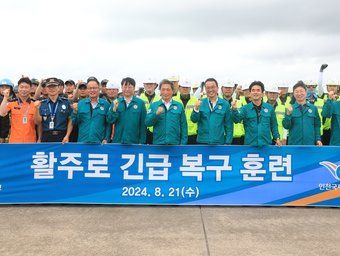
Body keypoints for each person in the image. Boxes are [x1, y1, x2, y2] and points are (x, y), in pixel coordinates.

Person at [232, 81, 281, 146]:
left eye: (258, 90)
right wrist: (234, 109)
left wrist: (277, 138)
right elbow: (236, 120)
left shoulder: (269, 108)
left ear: (262, 93)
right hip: (250, 145)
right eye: (253, 90)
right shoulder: (245, 108)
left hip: (266, 145)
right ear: (250, 93)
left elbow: (274, 125)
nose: (255, 92)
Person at [191, 78, 233, 144]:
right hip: (202, 142)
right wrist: (196, 109)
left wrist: (227, 143)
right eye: (208, 88)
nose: (210, 90)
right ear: (205, 89)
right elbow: (194, 119)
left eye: (213, 87)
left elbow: (229, 125)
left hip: (219, 143)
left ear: (217, 88)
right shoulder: (200, 103)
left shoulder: (225, 104)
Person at [145, 79, 187, 145]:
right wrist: (156, 114)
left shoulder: (179, 106)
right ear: (160, 91)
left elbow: (183, 126)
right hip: (158, 144)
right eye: (163, 89)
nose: (165, 92)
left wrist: (183, 144)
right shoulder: (154, 105)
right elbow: (148, 123)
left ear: (172, 91)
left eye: (168, 89)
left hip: (175, 144)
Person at [107, 77, 147, 144]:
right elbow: (110, 120)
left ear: (134, 88)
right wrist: (114, 109)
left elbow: (143, 125)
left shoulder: (140, 103)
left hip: (134, 142)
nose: (127, 89)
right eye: (125, 87)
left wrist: (142, 142)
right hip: (118, 141)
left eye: (130, 87)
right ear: (121, 88)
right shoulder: (116, 102)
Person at [72, 77, 111, 143]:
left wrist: (106, 138)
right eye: (90, 88)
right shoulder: (80, 104)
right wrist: (75, 112)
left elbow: (108, 124)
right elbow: (75, 122)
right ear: (87, 90)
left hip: (99, 142)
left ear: (99, 89)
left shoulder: (106, 104)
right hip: (83, 141)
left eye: (94, 88)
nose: (92, 90)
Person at [282, 81, 322, 146]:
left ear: (306, 92)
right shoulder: (289, 108)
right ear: (293, 94)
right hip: (294, 145)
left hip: (309, 145)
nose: (299, 93)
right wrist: (288, 115)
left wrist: (318, 139)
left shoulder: (313, 108)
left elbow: (317, 125)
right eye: (296, 92)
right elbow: (286, 126)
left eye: (301, 91)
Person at [34, 77, 73, 142]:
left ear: (58, 88)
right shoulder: (41, 104)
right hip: (46, 136)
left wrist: (67, 135)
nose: (52, 89)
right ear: (46, 89)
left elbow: (70, 120)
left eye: (54, 86)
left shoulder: (66, 102)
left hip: (62, 136)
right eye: (49, 87)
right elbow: (39, 123)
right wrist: (40, 138)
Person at [0, 77, 37, 143]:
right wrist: (5, 97)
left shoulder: (35, 104)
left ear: (30, 89)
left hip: (31, 141)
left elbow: (39, 123)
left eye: (26, 87)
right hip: (15, 141)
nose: (24, 89)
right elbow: (2, 113)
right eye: (21, 87)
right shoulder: (12, 103)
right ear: (18, 88)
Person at [220, 81, 245, 145]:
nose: (228, 89)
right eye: (226, 87)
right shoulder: (217, 103)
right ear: (221, 89)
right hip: (221, 137)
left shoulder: (239, 102)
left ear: (234, 89)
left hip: (238, 138)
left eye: (230, 88)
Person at [173, 79, 198, 144]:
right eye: (183, 87)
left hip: (192, 135)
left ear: (190, 89)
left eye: (187, 87)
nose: (185, 89)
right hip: (177, 134)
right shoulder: (173, 100)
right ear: (179, 88)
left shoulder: (196, 101)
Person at [139, 78, 161, 144]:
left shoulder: (160, 99)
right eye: (147, 84)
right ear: (144, 85)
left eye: (151, 84)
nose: (149, 86)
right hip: (142, 129)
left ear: (155, 85)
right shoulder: (139, 98)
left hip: (155, 130)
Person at [0, 78, 14, 143]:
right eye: (2, 87)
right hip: (2, 134)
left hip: (12, 133)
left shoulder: (14, 100)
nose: (4, 89)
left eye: (7, 87)